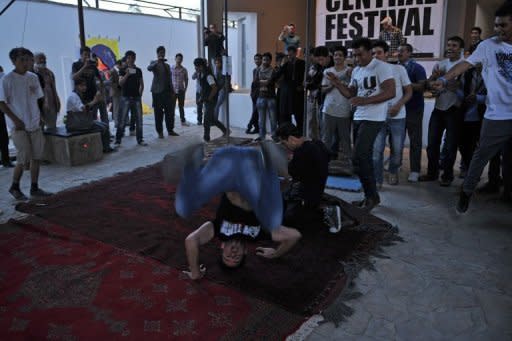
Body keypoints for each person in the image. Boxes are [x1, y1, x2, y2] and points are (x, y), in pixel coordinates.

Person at [431, 2, 512, 212]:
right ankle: (466, 192)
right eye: (496, 25)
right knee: (481, 155)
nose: (497, 30)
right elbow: (465, 64)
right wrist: (446, 78)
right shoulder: (488, 46)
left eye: (503, 25)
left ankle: (507, 194)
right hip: (497, 115)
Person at [330, 38, 396, 211]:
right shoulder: (357, 70)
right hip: (358, 116)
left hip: (374, 118)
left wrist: (366, 100)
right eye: (354, 55)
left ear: (369, 52)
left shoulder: (381, 67)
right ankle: (370, 196)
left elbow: (390, 92)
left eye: (360, 54)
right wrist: (337, 83)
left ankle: (372, 197)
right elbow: (350, 94)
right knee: (358, 159)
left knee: (361, 156)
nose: (357, 58)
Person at [183, 191, 302, 278]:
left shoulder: (217, 230)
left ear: (222, 247)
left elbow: (190, 241)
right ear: (245, 251)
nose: (233, 254)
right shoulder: (258, 235)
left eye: (228, 256)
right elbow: (294, 236)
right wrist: (275, 254)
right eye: (236, 258)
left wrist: (195, 273)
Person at [0, 47, 53, 200]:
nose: (26, 63)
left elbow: (38, 98)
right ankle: (14, 186)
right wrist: (16, 120)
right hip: (18, 125)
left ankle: (34, 187)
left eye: (28, 59)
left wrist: (41, 115)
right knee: (23, 157)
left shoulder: (33, 77)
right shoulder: (6, 79)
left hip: (34, 122)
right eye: (22, 59)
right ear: (13, 61)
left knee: (36, 156)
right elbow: (2, 103)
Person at [276, 123, 344, 233]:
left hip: (306, 195)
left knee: (287, 219)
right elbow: (327, 157)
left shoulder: (301, 152)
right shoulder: (318, 143)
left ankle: (326, 212)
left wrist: (290, 161)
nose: (285, 147)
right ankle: (322, 208)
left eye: (284, 143)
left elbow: (293, 176)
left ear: (291, 138)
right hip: (318, 188)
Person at [420, 36, 466, 187]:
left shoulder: (464, 65)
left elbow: (464, 89)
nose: (450, 48)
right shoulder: (440, 64)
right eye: (449, 45)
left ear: (460, 49)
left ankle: (447, 175)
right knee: (432, 143)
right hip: (438, 108)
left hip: (454, 109)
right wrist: (433, 78)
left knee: (450, 145)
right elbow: (429, 87)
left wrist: (448, 84)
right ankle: (432, 173)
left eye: (454, 45)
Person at [372, 40, 412, 187]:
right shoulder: (369, 72)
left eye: (379, 53)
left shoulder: (399, 69)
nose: (376, 56)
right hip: (377, 118)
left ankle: (393, 171)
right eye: (373, 53)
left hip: (398, 116)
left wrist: (398, 105)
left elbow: (409, 92)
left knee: (397, 149)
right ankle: (377, 179)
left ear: (387, 54)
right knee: (376, 151)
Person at [397, 43, 427, 182]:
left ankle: (415, 170)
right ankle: (396, 164)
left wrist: (405, 85)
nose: (399, 53)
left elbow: (422, 86)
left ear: (409, 53)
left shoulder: (417, 68)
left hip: (413, 108)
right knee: (396, 139)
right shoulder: (395, 67)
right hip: (399, 107)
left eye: (402, 51)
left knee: (415, 140)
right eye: (398, 51)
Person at [66, 78, 115, 153]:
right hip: (76, 123)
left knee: (105, 125)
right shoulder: (73, 96)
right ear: (76, 86)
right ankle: (104, 148)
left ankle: (105, 147)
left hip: (82, 120)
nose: (84, 87)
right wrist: (95, 100)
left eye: (85, 85)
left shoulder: (79, 95)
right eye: (81, 85)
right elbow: (83, 109)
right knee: (102, 127)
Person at [322, 45, 352, 164]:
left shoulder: (350, 71)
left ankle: (348, 162)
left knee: (345, 139)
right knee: (326, 138)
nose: (337, 57)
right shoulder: (327, 71)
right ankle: (324, 161)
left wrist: (337, 81)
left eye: (340, 55)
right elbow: (323, 90)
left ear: (345, 57)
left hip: (344, 110)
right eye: (335, 55)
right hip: (328, 109)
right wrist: (333, 83)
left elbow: (351, 91)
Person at [115, 50, 147, 146]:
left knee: (139, 120)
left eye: (132, 57)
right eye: (129, 58)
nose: (131, 60)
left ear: (135, 58)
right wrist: (127, 74)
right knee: (122, 120)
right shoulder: (122, 70)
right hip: (125, 98)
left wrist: (140, 94)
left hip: (136, 97)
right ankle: (118, 140)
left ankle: (140, 139)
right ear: (126, 59)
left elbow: (142, 84)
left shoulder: (138, 70)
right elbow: (120, 83)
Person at [272, 46, 305, 134]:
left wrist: (303, 85)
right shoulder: (286, 64)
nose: (290, 57)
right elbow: (276, 76)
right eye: (288, 56)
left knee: (299, 116)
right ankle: (288, 134)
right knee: (285, 115)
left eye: (291, 55)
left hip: (298, 93)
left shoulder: (302, 63)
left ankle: (300, 134)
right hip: (287, 94)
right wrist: (282, 65)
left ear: (295, 53)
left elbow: (306, 76)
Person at [193, 57, 227, 142]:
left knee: (206, 120)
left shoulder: (208, 76)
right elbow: (203, 88)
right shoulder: (201, 74)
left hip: (211, 100)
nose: (195, 68)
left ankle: (206, 138)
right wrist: (202, 97)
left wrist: (209, 98)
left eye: (196, 66)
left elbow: (214, 88)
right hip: (207, 99)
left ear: (201, 66)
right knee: (211, 119)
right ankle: (226, 131)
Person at [148, 46, 178, 138]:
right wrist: (158, 61)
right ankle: (160, 132)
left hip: (168, 92)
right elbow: (149, 68)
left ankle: (170, 130)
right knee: (158, 113)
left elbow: (170, 79)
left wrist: (173, 90)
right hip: (157, 92)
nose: (162, 54)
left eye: (163, 52)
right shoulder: (154, 63)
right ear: (157, 54)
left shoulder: (168, 66)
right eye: (160, 53)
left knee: (170, 112)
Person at [71, 46, 103, 121]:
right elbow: (74, 77)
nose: (87, 56)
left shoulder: (93, 65)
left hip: (93, 95)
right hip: (81, 97)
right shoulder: (76, 65)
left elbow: (99, 79)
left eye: (89, 55)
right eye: (85, 54)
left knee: (93, 118)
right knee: (84, 119)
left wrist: (99, 91)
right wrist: (84, 66)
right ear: (81, 55)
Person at [34, 53, 60, 130]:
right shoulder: (33, 74)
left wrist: (57, 101)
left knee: (52, 128)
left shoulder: (50, 73)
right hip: (39, 106)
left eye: (44, 59)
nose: (43, 60)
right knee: (40, 130)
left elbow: (54, 89)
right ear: (34, 60)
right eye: (40, 58)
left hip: (51, 105)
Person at [255, 52, 277, 142]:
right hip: (261, 97)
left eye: (267, 60)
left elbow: (270, 82)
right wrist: (264, 82)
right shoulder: (257, 70)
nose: (265, 61)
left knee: (273, 119)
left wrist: (262, 82)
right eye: (263, 59)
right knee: (261, 119)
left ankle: (274, 135)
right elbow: (255, 82)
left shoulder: (273, 71)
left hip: (271, 97)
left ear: (270, 61)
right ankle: (261, 135)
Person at [0, 65, 14, 168]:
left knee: (3, 137)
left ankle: (5, 160)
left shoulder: (4, 78)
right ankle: (5, 160)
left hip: (1, 110)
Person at [171, 53, 189, 127]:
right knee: (172, 106)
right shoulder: (171, 68)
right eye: (178, 58)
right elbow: (168, 78)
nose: (179, 60)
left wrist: (185, 88)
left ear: (182, 60)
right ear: (175, 59)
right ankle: (171, 121)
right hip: (173, 90)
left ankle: (183, 121)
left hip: (181, 90)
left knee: (181, 106)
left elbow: (186, 79)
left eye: (180, 59)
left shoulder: (184, 70)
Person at [246, 53, 262, 134]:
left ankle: (249, 125)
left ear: (261, 60)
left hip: (260, 93)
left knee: (255, 111)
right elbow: (254, 83)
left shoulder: (262, 69)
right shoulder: (254, 70)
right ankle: (256, 127)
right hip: (254, 93)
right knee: (255, 111)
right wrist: (252, 93)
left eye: (258, 59)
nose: (257, 61)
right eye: (255, 59)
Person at [191, 61, 204, 125]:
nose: (195, 67)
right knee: (199, 106)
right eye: (195, 66)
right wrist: (196, 72)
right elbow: (193, 77)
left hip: (204, 92)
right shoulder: (197, 73)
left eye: (197, 66)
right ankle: (199, 120)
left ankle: (207, 120)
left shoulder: (204, 73)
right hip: (198, 92)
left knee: (205, 106)